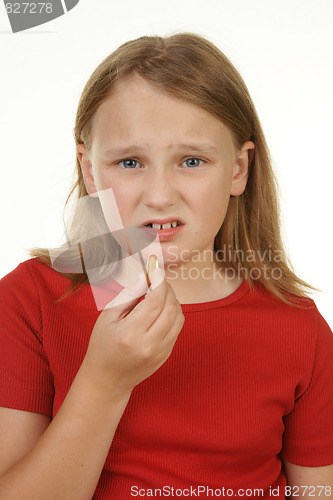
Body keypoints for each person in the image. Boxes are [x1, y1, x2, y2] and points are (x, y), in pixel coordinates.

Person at [0, 32, 332, 499]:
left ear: (238, 170)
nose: (159, 195)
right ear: (90, 171)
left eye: (191, 160)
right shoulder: (28, 300)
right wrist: (103, 383)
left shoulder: (300, 328)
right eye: (130, 161)